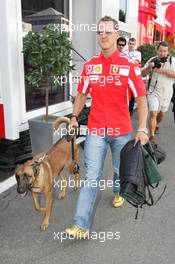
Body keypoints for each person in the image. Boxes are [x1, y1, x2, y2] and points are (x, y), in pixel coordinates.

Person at [65, 16, 148, 238]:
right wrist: (73, 116)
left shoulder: (130, 66)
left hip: (121, 130)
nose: (103, 35)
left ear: (117, 36)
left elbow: (141, 99)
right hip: (96, 130)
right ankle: (81, 224)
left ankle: (118, 190)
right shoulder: (90, 66)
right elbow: (81, 94)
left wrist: (142, 128)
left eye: (108, 31)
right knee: (92, 175)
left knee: (120, 169)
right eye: (99, 31)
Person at [141, 41, 175, 140]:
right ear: (157, 51)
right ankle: (152, 136)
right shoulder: (152, 60)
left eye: (165, 51)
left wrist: (163, 71)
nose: (162, 53)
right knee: (153, 113)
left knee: (161, 115)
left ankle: (156, 124)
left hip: (167, 94)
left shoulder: (173, 61)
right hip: (153, 92)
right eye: (160, 51)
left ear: (168, 52)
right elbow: (142, 74)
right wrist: (149, 67)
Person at [124, 38, 142, 115]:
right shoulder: (124, 53)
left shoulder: (138, 53)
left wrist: (128, 62)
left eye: (133, 44)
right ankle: (124, 110)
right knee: (124, 93)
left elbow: (137, 63)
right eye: (130, 43)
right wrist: (131, 62)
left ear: (135, 45)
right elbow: (123, 63)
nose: (131, 45)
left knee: (132, 92)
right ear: (128, 44)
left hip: (133, 76)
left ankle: (130, 111)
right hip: (125, 75)